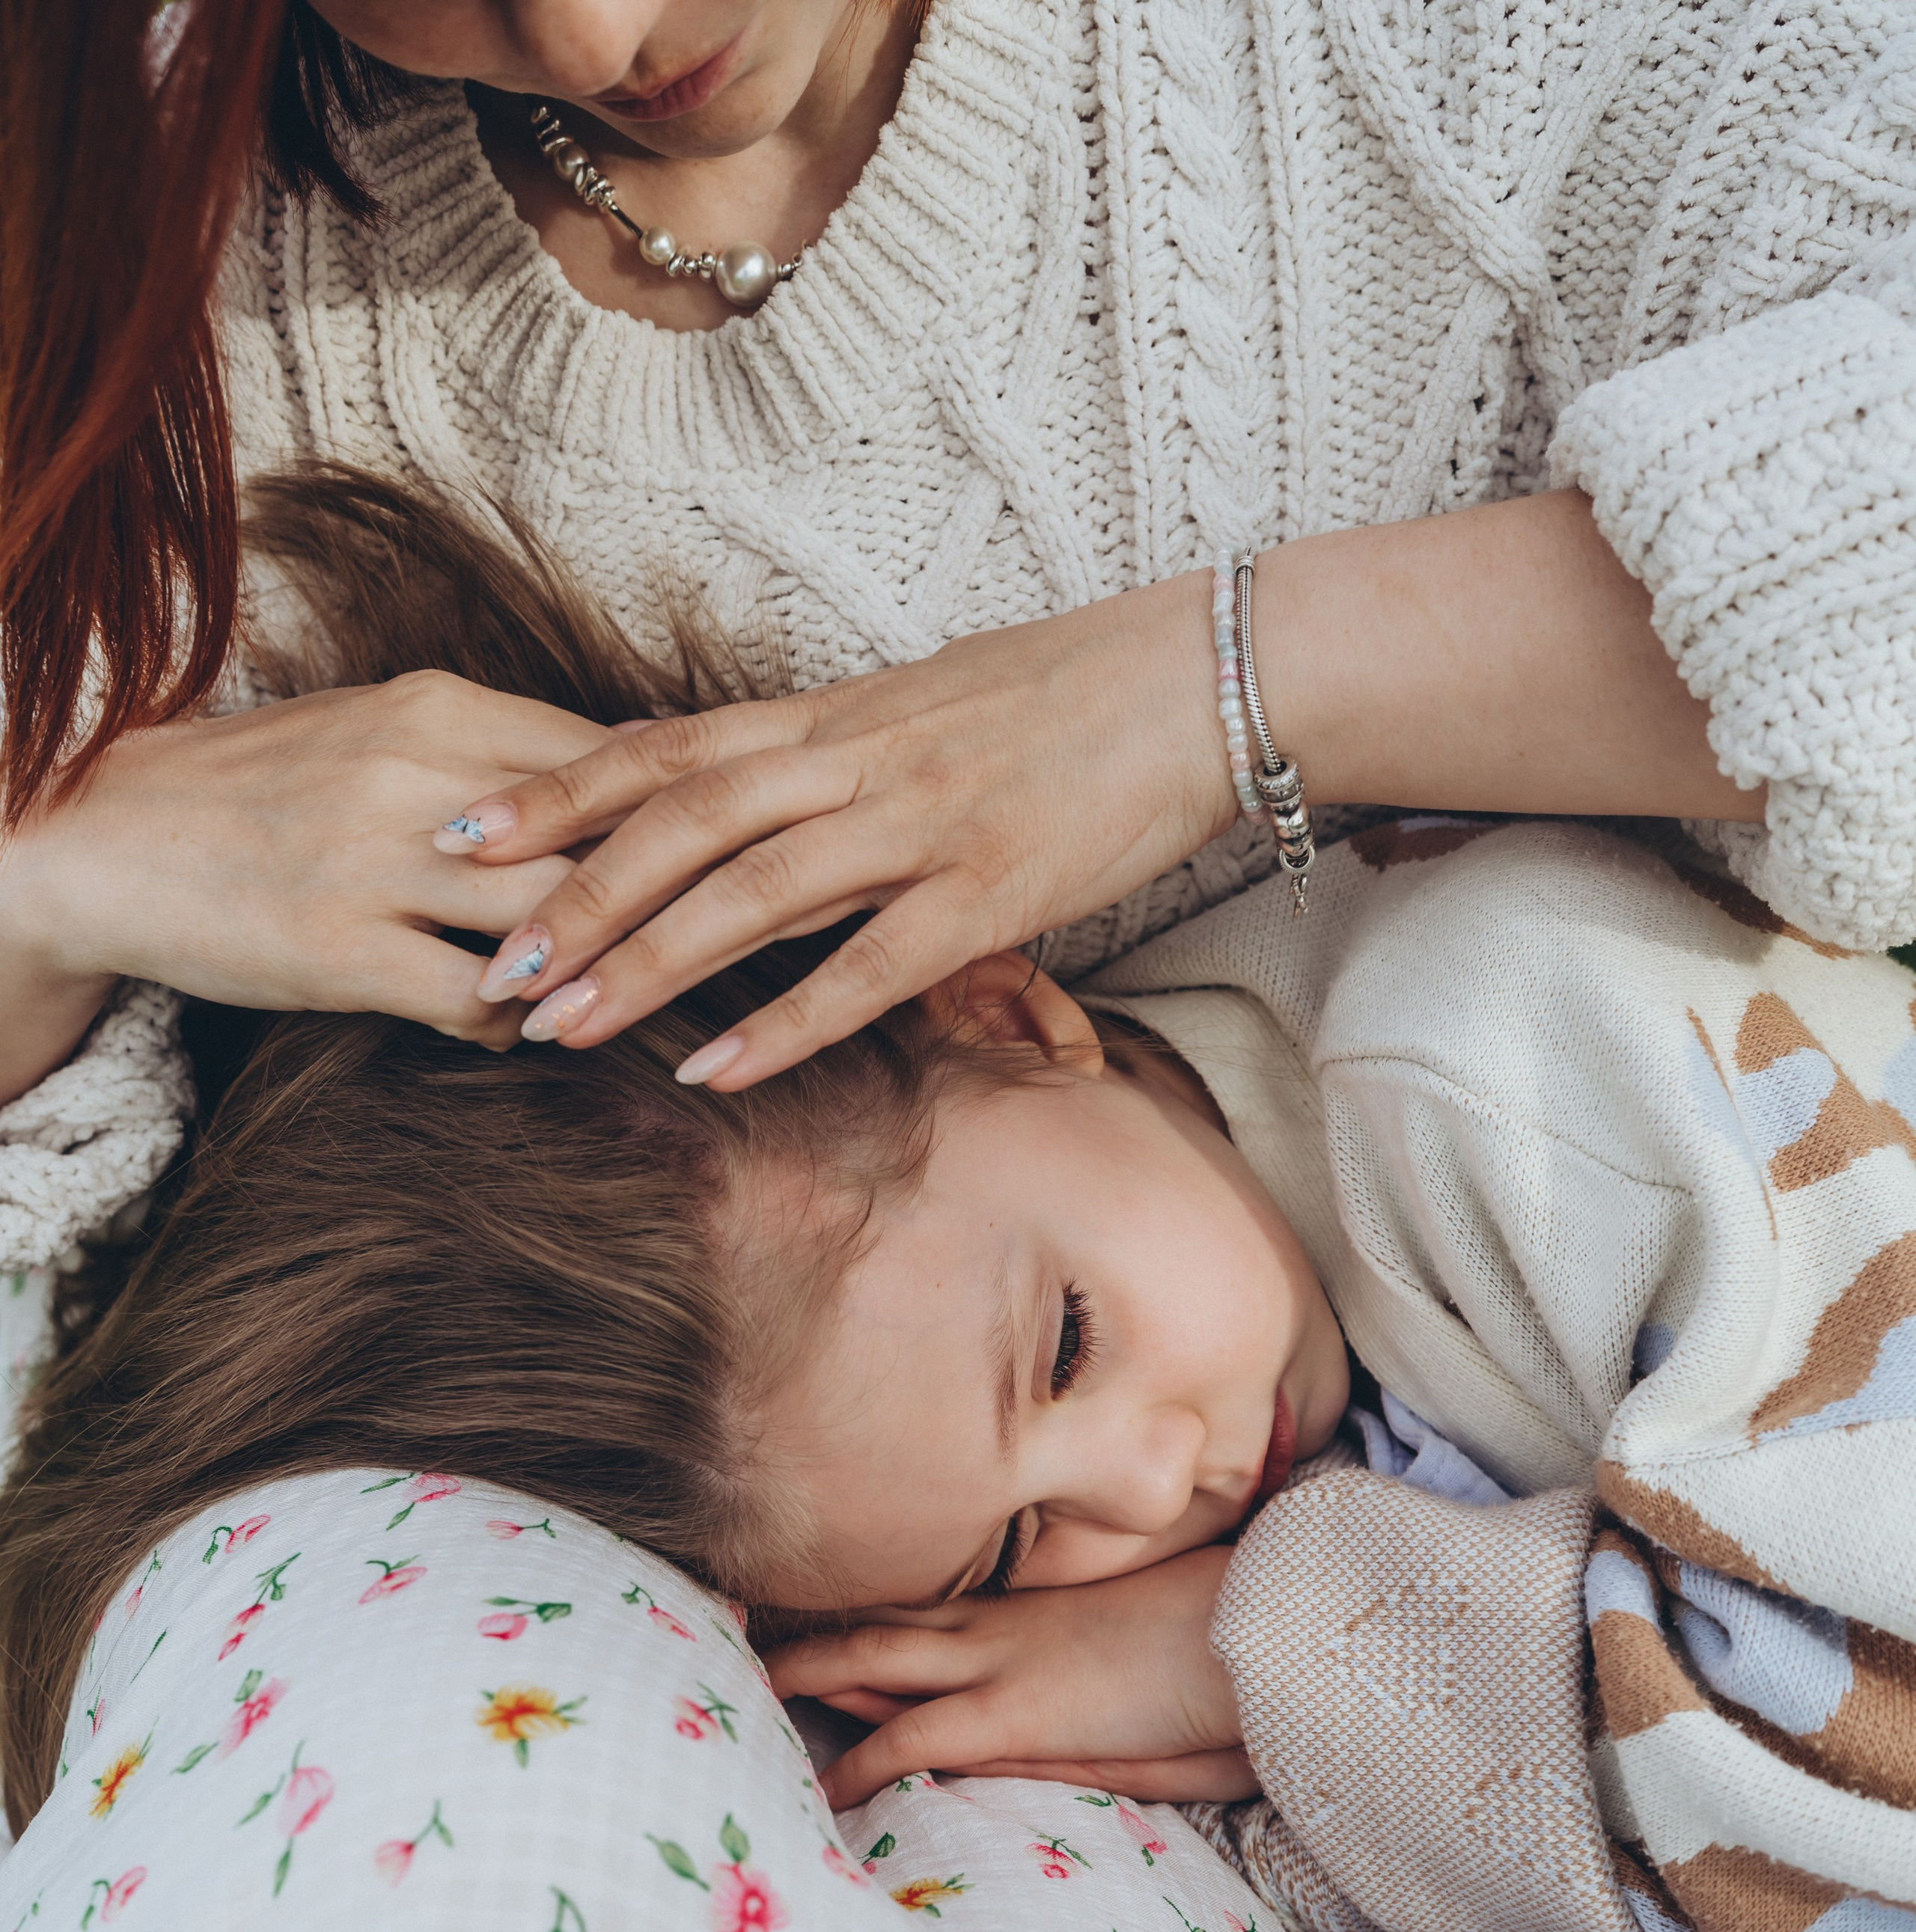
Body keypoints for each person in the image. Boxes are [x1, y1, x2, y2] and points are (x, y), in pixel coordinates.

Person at [7, 469, 1910, 1932]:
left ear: (1002, 1004)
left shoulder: (1496, 1064)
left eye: (1064, 1350)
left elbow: (1873, 1723)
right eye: (1008, 1553)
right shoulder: (1169, 1253)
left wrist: (1271, 1662)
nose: (1150, 1487)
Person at [1, 0, 1912, 1213]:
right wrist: (63, 861)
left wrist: (1205, 696)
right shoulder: (157, 285)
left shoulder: (1459, 54)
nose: (594, 36)